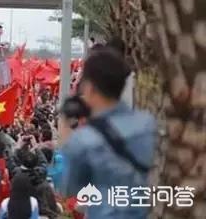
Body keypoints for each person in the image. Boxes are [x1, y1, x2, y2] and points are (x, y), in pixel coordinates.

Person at [60, 47, 156, 219]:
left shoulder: (85, 140)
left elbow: (68, 188)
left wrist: (66, 135)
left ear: (90, 87)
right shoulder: (148, 124)